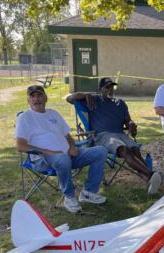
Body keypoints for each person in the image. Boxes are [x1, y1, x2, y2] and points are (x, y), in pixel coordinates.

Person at [16, 85, 107, 213]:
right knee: (62, 159)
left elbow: (67, 136)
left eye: (40, 95)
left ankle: (88, 192)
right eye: (32, 96)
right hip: (42, 159)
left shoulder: (53, 113)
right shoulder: (25, 118)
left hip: (68, 154)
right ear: (28, 100)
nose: (36, 99)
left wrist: (72, 146)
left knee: (100, 151)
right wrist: (49, 152)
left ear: (45, 98)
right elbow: (20, 146)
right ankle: (69, 197)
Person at [67, 77, 163, 194]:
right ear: (100, 89)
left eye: (112, 87)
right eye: (107, 87)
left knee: (135, 150)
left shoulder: (120, 103)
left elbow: (128, 121)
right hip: (103, 136)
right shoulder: (93, 99)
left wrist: (131, 124)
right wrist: (85, 94)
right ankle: (152, 175)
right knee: (124, 150)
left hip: (120, 134)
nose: (110, 90)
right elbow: (69, 98)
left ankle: (149, 180)